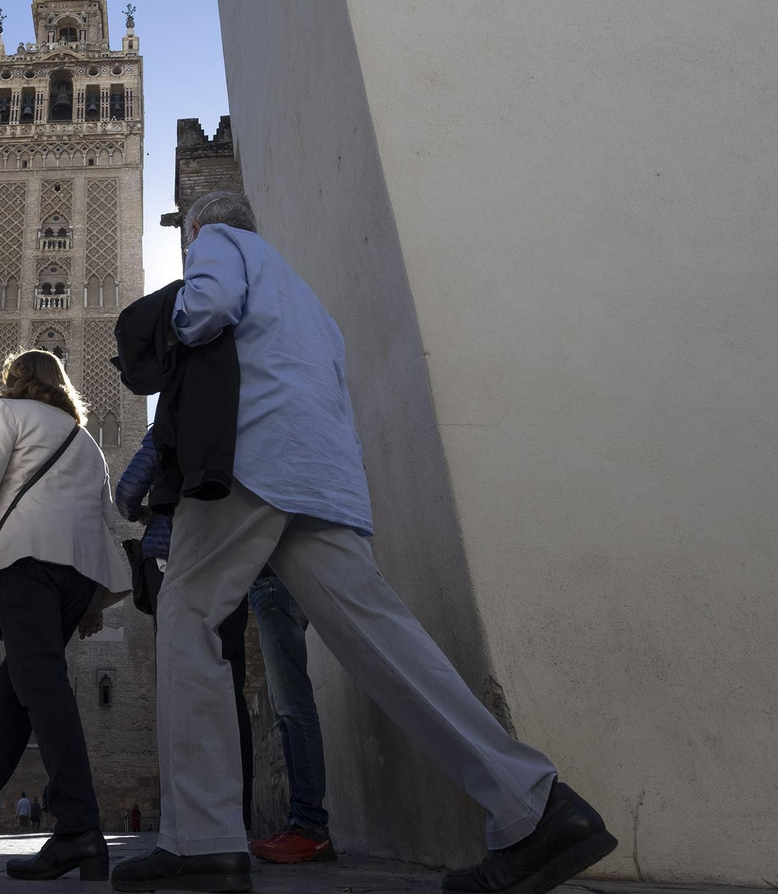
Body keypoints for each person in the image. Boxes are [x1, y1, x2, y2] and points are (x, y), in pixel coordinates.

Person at [110, 194, 617, 894]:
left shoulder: (219, 243)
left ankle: (202, 839)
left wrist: (164, 323)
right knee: (384, 641)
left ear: (197, 228)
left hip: (253, 462)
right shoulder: (306, 297)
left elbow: (208, 306)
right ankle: (536, 804)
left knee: (188, 612)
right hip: (321, 475)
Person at [0, 350, 132, 882]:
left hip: (27, 562)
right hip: (78, 575)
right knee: (13, 697)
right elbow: (103, 516)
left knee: (40, 682)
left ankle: (79, 829)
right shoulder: (86, 441)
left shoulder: (9, 412)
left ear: (19, 380)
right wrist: (92, 603)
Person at [115, 428, 255, 832]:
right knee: (231, 689)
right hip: (230, 558)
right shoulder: (240, 419)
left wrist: (143, 513)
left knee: (179, 684)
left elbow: (126, 492)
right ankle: (237, 822)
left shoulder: (173, 420)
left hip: (172, 557)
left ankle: (188, 822)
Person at [246, 566, 337, 864]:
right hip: (273, 585)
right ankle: (302, 821)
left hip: (275, 582)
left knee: (292, 707)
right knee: (286, 711)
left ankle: (310, 825)